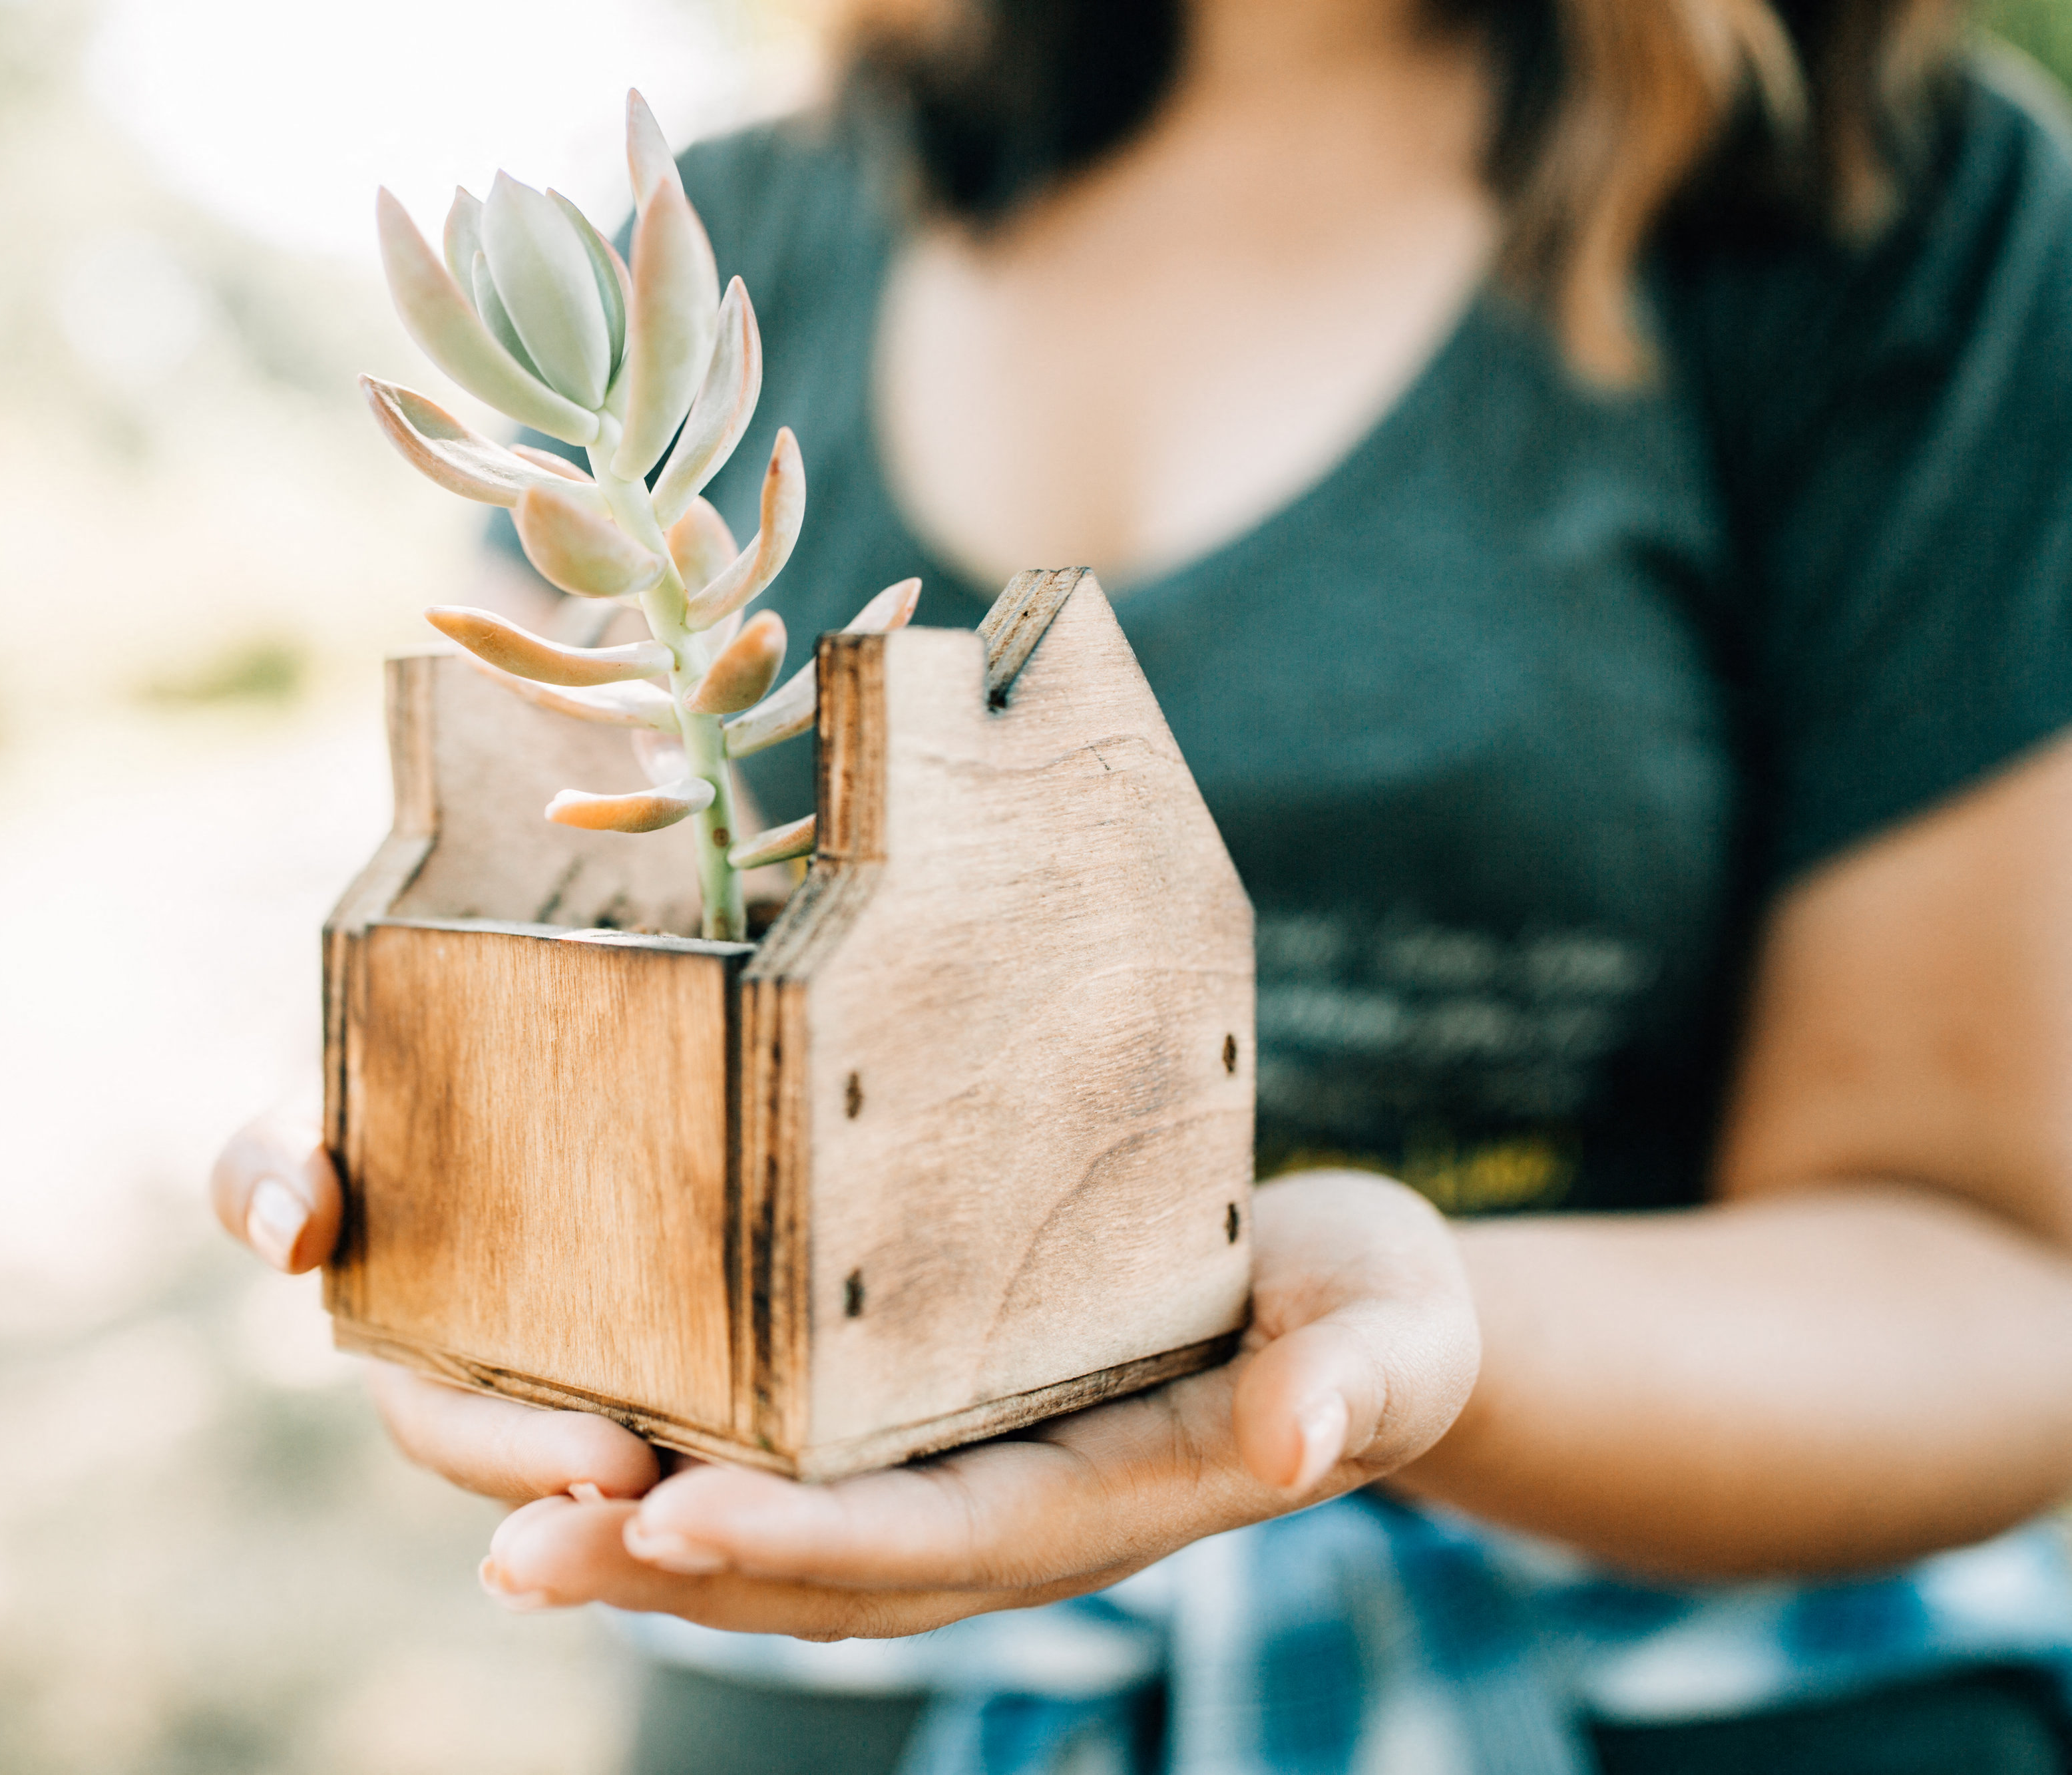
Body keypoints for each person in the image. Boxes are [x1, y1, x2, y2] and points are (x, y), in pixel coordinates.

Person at [214, 0, 2072, 1768]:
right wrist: (475, 1191)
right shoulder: (718, 240)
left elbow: (1997, 1275)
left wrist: (1404, 1346)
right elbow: (560, 912)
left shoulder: (1892, 218)